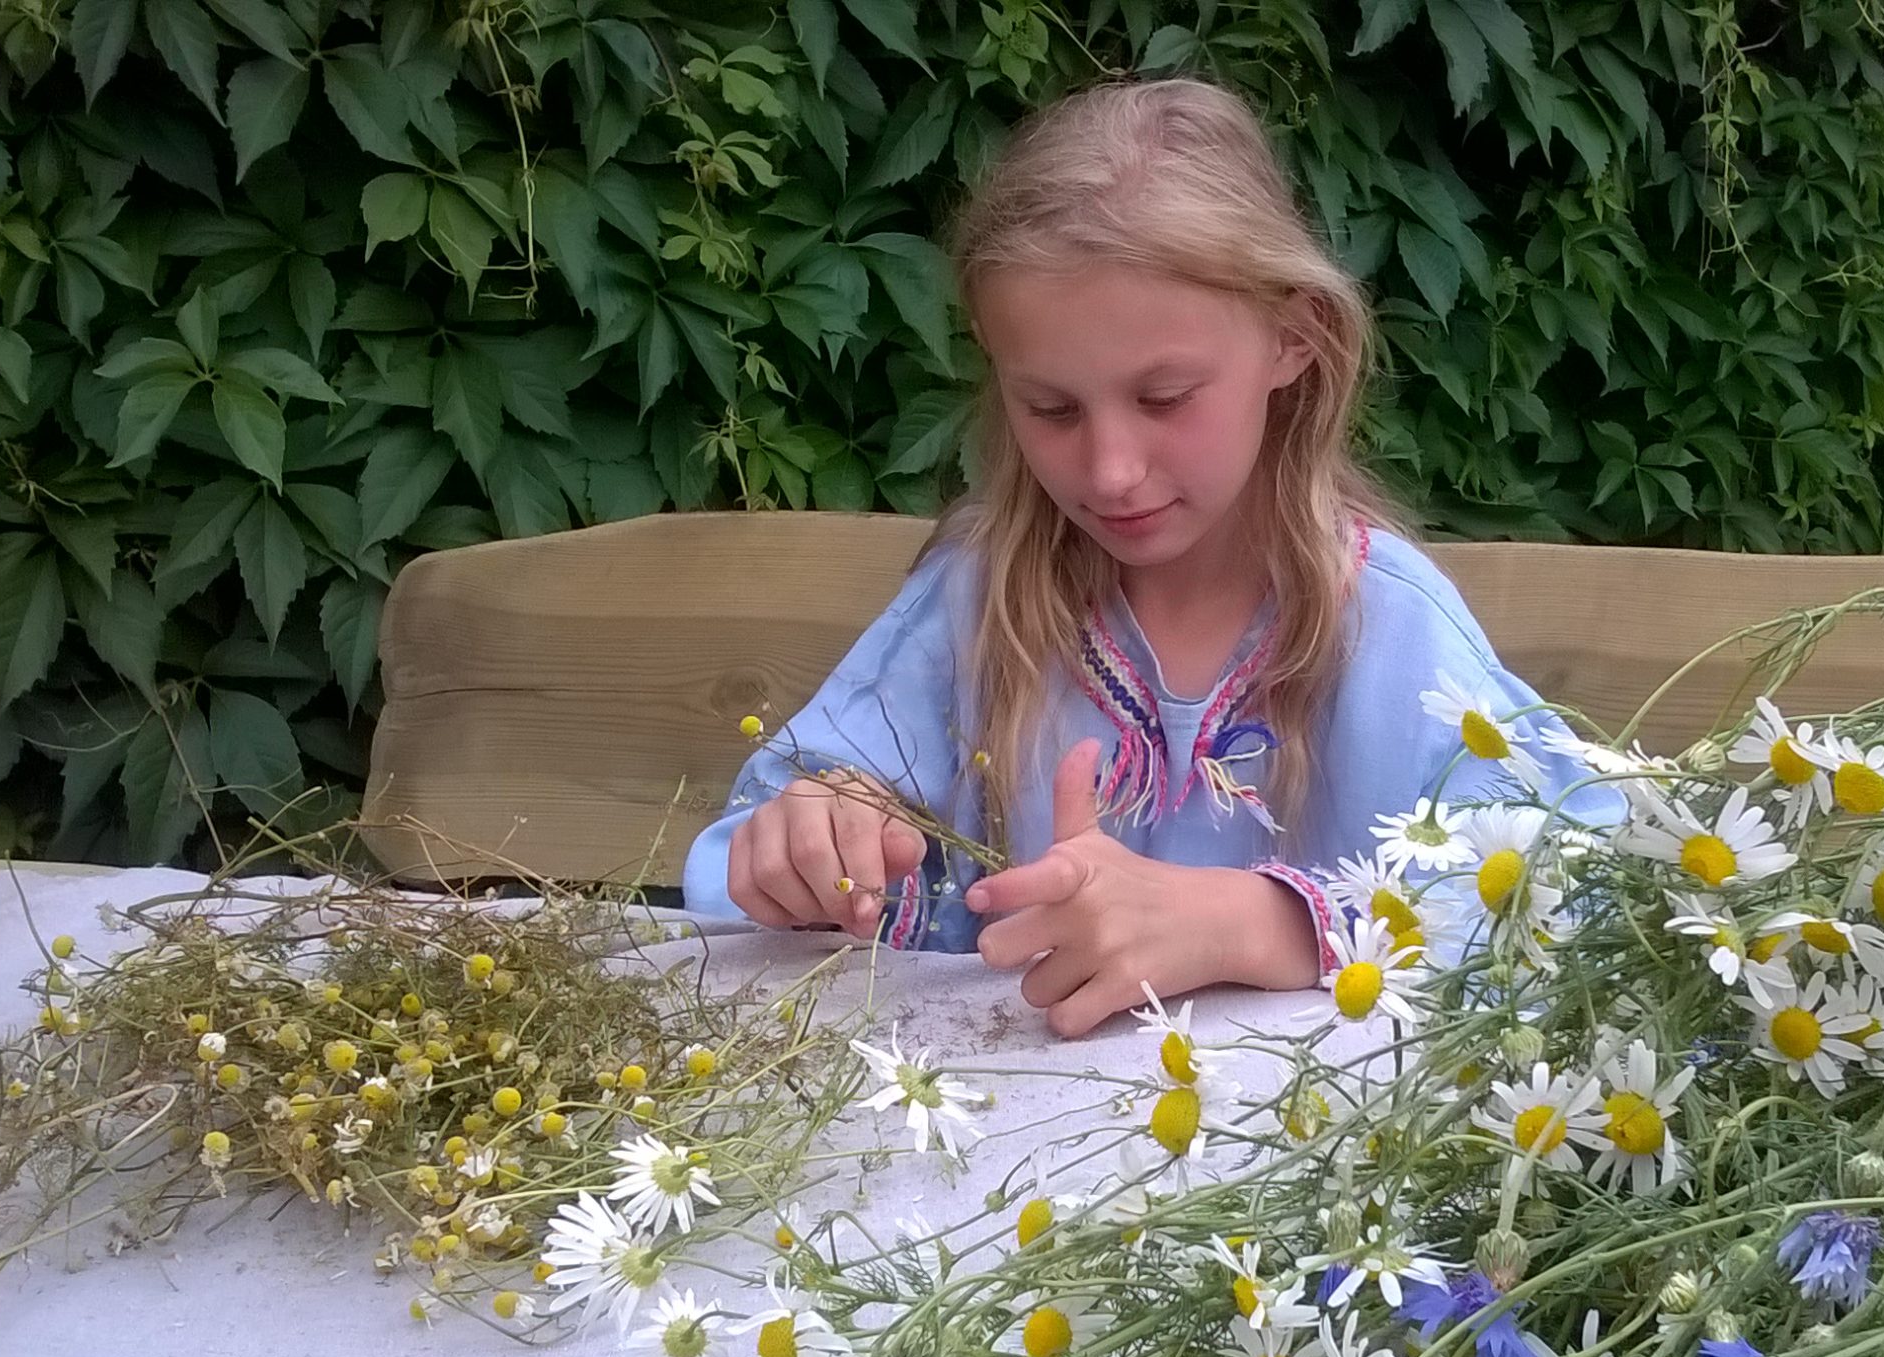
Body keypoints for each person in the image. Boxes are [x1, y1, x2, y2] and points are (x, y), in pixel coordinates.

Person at [680, 77, 1612, 1036]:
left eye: (1164, 398)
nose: (1112, 471)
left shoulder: (1388, 629)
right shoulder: (977, 603)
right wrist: (818, 844)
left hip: (1303, 1131)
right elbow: (767, 844)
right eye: (1051, 409)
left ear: (1297, 338)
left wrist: (1264, 923)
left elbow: (1584, 899)